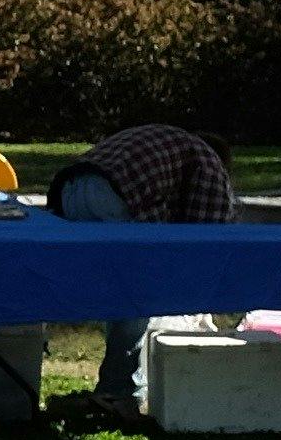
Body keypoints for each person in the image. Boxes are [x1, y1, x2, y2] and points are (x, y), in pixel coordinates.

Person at [48, 124, 237, 416]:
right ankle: (119, 391)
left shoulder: (173, 143)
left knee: (120, 289)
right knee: (138, 292)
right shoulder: (207, 159)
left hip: (69, 190)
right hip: (111, 193)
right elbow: (210, 230)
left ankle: (115, 386)